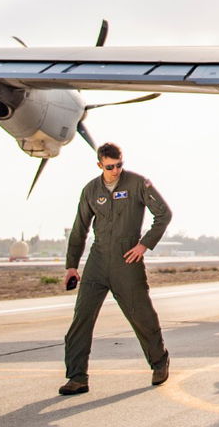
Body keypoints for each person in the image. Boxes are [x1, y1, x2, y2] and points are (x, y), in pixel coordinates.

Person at [59, 142, 172, 396]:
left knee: (141, 316)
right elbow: (79, 230)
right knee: (81, 319)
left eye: (120, 165)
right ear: (100, 165)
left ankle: (159, 361)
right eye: (110, 167)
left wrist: (144, 245)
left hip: (127, 261)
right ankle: (77, 377)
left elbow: (163, 214)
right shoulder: (91, 190)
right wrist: (71, 267)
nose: (116, 170)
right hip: (97, 261)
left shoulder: (137, 183)